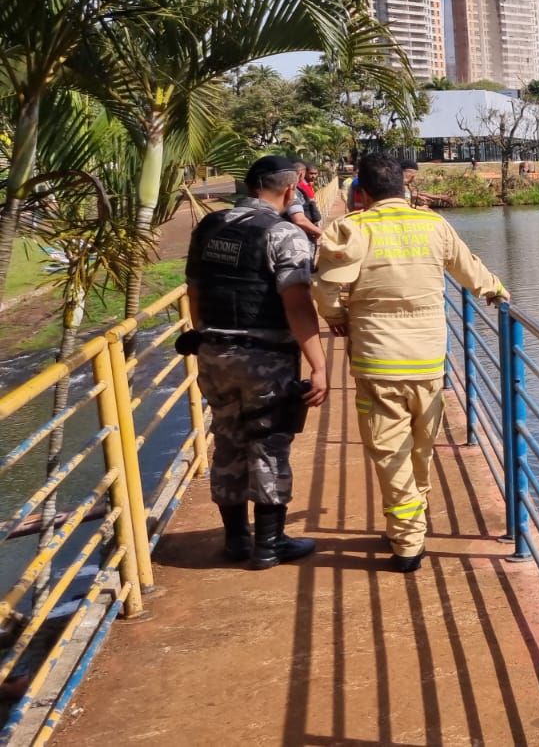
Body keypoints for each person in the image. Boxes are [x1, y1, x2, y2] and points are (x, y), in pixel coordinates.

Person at [313, 153, 508, 573]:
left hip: (378, 362)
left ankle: (407, 542)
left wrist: (337, 318)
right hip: (429, 361)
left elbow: (327, 288)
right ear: (404, 187)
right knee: (422, 448)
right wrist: (495, 290)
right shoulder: (434, 225)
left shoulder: (353, 228)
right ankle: (413, 516)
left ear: (359, 193)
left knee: (390, 452)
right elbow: (469, 269)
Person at [186, 156, 328, 570]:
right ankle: (269, 545)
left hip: (213, 351)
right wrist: (318, 365)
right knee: (268, 442)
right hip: (265, 357)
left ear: (249, 187)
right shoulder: (284, 234)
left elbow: (194, 289)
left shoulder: (209, 227)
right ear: (290, 191)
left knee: (227, 440)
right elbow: (297, 304)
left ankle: (235, 539)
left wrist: (207, 336)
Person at [292, 160, 322, 227]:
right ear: (305, 173)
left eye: (315, 174)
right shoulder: (301, 185)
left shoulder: (309, 184)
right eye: (311, 173)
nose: (313, 176)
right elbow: (311, 204)